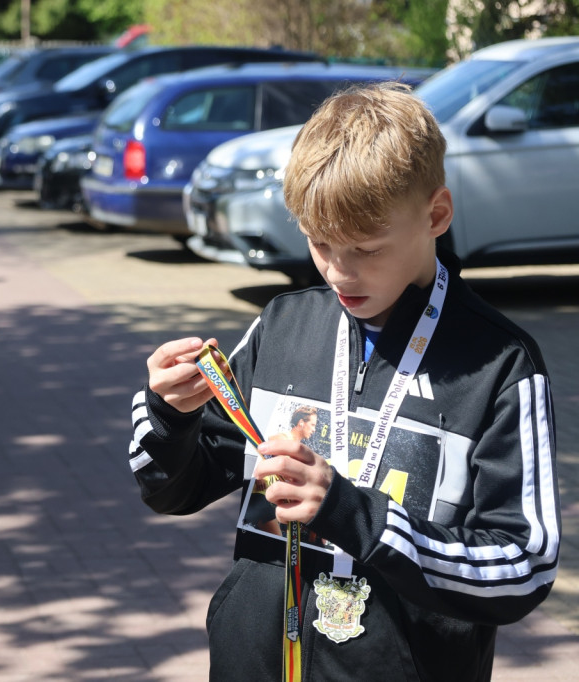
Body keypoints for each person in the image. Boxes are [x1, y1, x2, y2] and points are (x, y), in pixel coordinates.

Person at [129, 82, 558, 681]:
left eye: (366, 248)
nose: (338, 270)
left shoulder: (501, 364)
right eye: (319, 242)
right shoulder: (283, 325)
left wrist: (352, 513)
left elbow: (523, 566)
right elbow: (172, 489)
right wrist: (170, 417)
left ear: (436, 215)